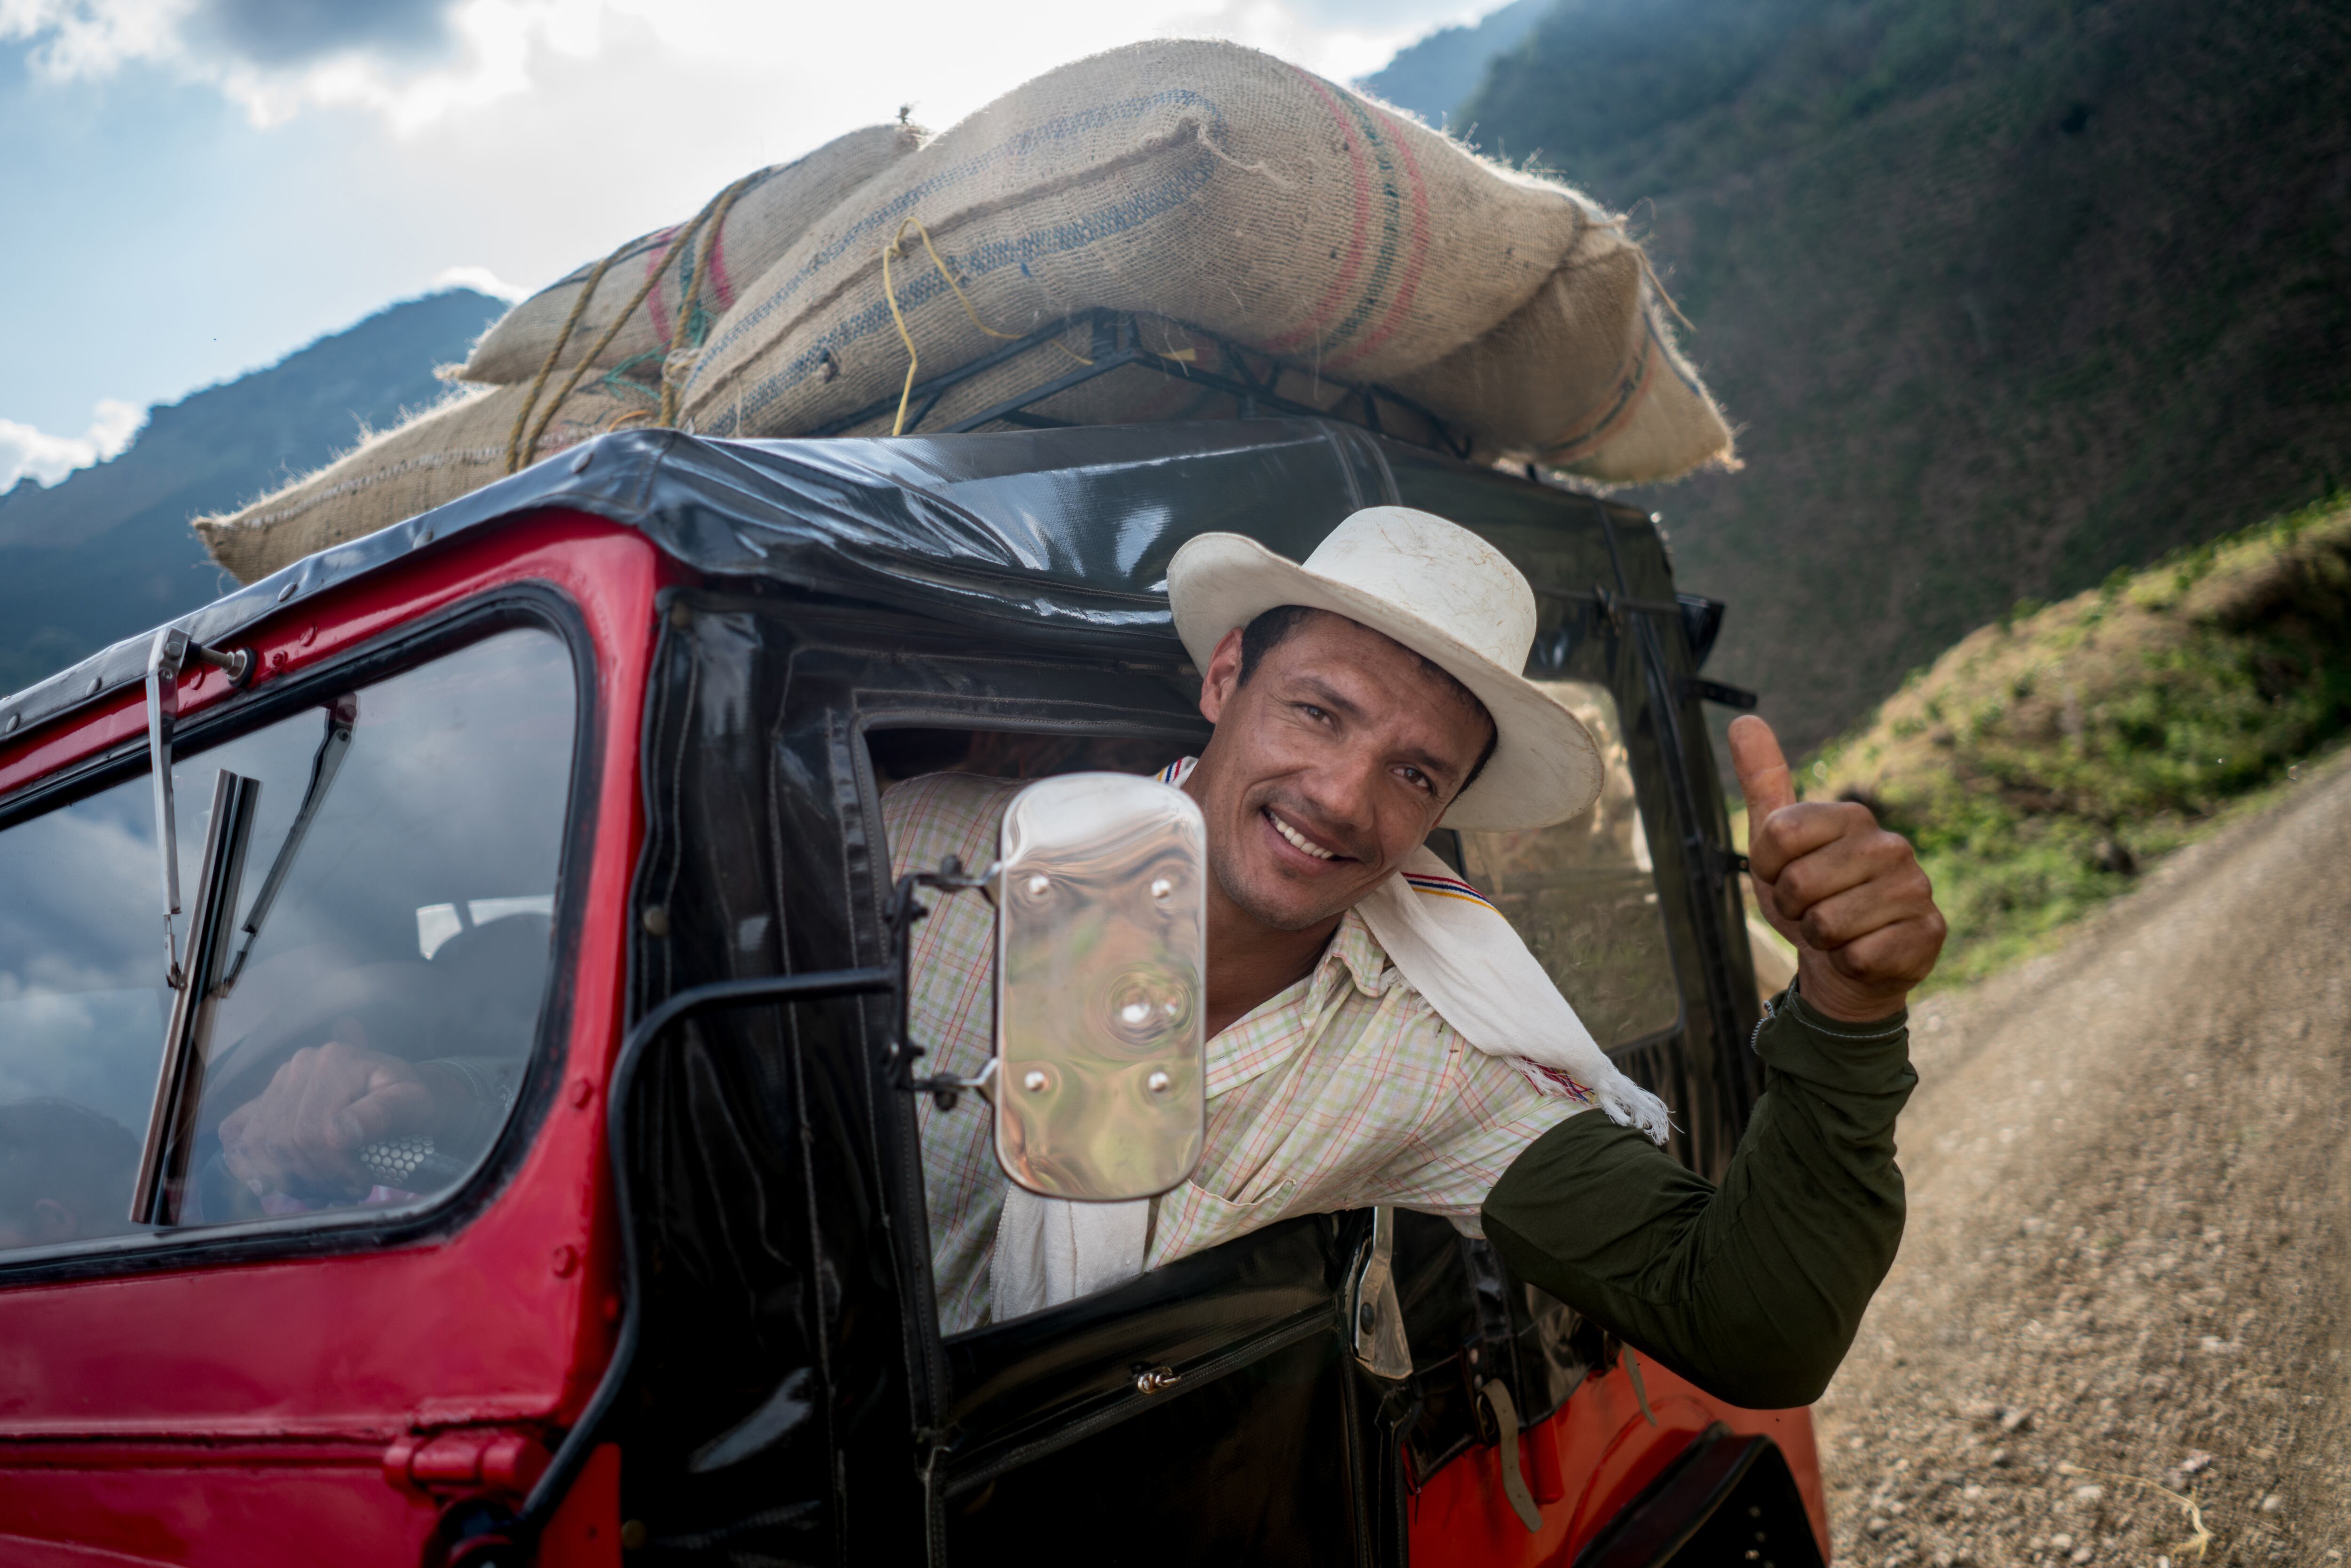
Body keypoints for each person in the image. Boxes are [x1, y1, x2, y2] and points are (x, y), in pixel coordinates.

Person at [892, 505, 1942, 1407]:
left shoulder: (1427, 1054)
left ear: (1443, 810)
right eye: (1316, 711)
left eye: (1412, 773)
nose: (1343, 798)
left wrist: (1850, 1004)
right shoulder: (922, 858)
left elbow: (1750, 1327)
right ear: (1224, 680)